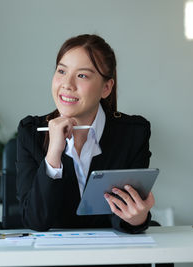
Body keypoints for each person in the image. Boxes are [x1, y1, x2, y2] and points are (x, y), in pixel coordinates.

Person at [16, 34, 155, 234]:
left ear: (106, 88)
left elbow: (123, 216)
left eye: (82, 75)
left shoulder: (133, 133)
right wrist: (54, 154)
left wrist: (137, 218)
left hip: (112, 257)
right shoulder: (31, 132)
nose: (67, 84)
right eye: (62, 71)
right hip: (52, 258)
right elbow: (36, 220)